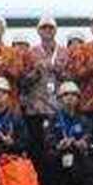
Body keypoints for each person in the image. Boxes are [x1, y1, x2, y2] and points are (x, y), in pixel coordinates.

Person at [21, 16, 69, 167]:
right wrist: (36, 72)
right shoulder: (30, 53)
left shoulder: (64, 52)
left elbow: (72, 78)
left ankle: (58, 180)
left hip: (59, 107)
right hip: (36, 107)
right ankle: (38, 181)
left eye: (50, 28)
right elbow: (22, 81)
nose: (47, 31)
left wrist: (59, 71)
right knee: (36, 145)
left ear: (55, 31)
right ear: (38, 31)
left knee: (58, 144)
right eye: (44, 28)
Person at [42, 81, 93, 185]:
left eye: (73, 95)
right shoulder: (52, 119)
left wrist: (81, 142)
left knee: (90, 156)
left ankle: (80, 184)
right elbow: (48, 138)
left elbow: (88, 138)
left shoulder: (85, 120)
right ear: (60, 99)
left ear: (78, 99)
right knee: (48, 154)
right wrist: (59, 143)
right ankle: (55, 184)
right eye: (66, 95)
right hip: (59, 152)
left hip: (78, 153)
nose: (70, 98)